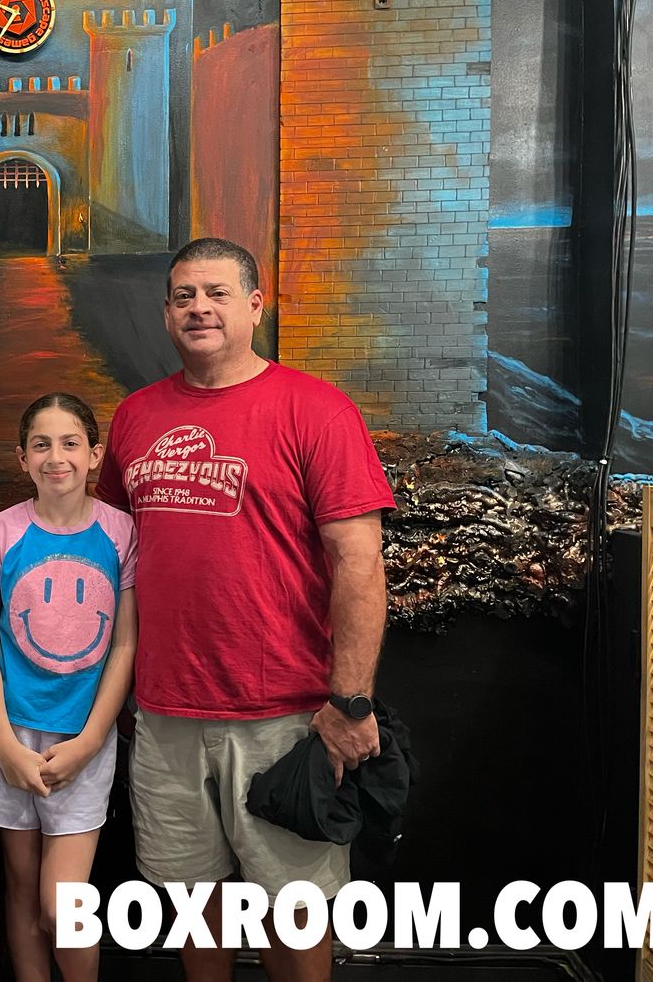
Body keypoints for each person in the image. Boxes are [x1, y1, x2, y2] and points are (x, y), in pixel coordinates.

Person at [94, 237, 396, 982]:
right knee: (195, 906)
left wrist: (350, 702)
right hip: (164, 714)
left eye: (217, 293)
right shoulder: (134, 417)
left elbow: (359, 564)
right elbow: (112, 557)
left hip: (284, 718)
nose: (199, 307)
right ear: (166, 313)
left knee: (293, 909)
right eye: (184, 296)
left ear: (255, 306)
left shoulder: (316, 410)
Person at [0, 393, 137, 982]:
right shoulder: (0, 531)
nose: (56, 457)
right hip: (12, 736)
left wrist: (90, 742)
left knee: (61, 906)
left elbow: (124, 645)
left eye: (70, 443)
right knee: (20, 892)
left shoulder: (120, 532)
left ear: (95, 454)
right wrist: (3, 743)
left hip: (82, 742)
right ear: (23, 458)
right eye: (41, 445)